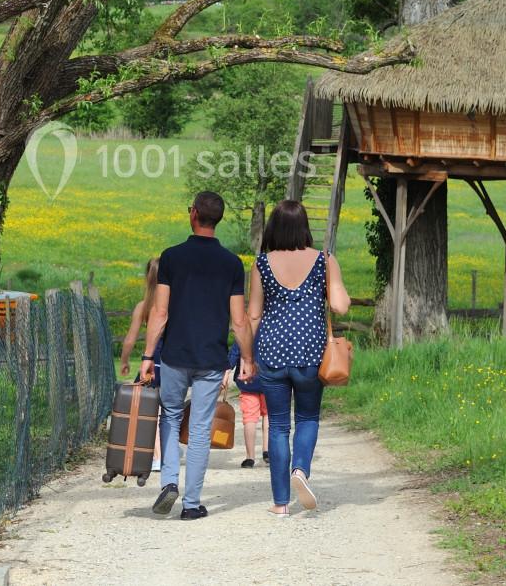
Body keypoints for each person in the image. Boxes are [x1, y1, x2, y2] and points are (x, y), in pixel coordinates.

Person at [139, 191, 254, 521]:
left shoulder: (172, 258)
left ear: (193, 215)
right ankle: (191, 504)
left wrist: (148, 355)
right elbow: (239, 320)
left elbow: (160, 312)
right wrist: (246, 358)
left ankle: (169, 482)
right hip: (211, 359)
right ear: (218, 219)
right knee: (201, 429)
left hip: (175, 355)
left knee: (171, 417)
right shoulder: (232, 264)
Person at [247, 199, 351, 517]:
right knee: (307, 418)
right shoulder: (323, 260)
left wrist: (247, 357)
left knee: (278, 426)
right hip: (310, 353)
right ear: (304, 227)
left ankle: (280, 504)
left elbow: (254, 315)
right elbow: (340, 306)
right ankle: (301, 470)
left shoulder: (261, 264)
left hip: (272, 353)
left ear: (273, 228)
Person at [119, 257, 162, 470]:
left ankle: (156, 456)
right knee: (169, 410)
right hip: (173, 362)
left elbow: (130, 339)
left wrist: (124, 361)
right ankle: (167, 449)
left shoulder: (143, 306)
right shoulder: (176, 303)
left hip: (151, 363)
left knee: (149, 411)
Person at [224, 340, 268, 468]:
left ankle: (250, 457)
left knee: (249, 419)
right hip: (268, 379)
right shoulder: (271, 330)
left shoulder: (244, 333)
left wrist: (226, 374)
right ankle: (267, 451)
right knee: (268, 415)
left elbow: (233, 354)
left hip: (247, 381)